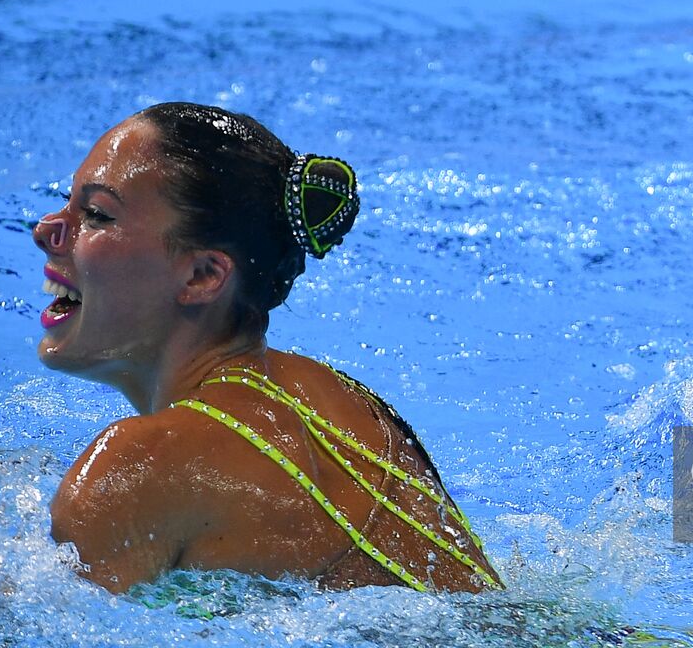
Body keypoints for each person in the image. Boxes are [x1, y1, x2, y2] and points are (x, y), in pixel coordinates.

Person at [33, 103, 500, 593]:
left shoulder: (135, 470)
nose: (45, 229)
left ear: (202, 275)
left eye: (96, 214)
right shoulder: (342, 400)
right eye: (66, 203)